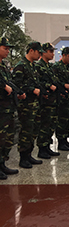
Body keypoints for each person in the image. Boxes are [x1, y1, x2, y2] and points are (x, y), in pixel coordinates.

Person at [12, 41, 43, 168]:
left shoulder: (33, 66)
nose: (40, 55)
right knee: (25, 130)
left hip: (34, 104)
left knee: (33, 130)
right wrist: (31, 89)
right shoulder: (21, 66)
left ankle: (29, 154)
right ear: (31, 51)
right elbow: (16, 84)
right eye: (38, 52)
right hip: (25, 105)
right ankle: (23, 157)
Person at [0, 38, 24, 178]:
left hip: (7, 109)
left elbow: (10, 83)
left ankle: (2, 163)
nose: (8, 51)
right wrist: (3, 87)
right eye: (5, 48)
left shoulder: (3, 66)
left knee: (7, 138)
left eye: (8, 49)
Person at [35, 43, 60, 159]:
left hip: (53, 101)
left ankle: (47, 147)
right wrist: (48, 85)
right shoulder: (38, 66)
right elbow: (37, 82)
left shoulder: (49, 66)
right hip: (45, 101)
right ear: (43, 52)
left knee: (51, 125)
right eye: (50, 51)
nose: (52, 53)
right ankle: (42, 148)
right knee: (44, 125)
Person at [52, 47, 69, 151]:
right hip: (62, 98)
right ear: (64, 55)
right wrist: (63, 85)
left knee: (68, 120)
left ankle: (65, 139)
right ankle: (61, 141)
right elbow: (54, 81)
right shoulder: (56, 66)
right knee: (61, 120)